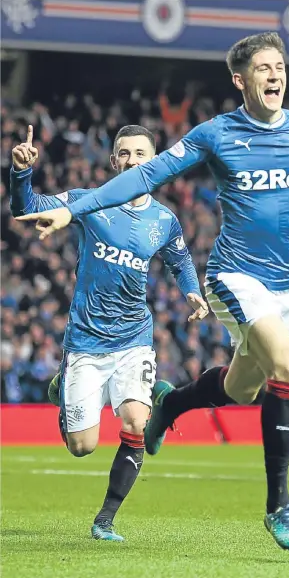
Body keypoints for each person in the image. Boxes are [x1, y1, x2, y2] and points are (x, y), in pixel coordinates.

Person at [17, 32, 289, 551]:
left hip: (286, 287)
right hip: (234, 277)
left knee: (242, 388)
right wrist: (75, 207)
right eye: (263, 68)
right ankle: (280, 507)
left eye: (280, 66)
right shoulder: (216, 134)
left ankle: (170, 408)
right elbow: (148, 175)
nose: (275, 75)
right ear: (240, 80)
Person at [10, 124, 208, 542]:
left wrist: (192, 292)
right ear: (113, 160)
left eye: (140, 154)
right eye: (124, 153)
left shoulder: (164, 220)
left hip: (134, 337)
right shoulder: (89, 202)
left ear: (152, 162)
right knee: (81, 447)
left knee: (136, 421)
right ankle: (64, 387)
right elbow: (25, 207)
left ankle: (105, 520)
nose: (132, 160)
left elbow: (181, 261)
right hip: (85, 341)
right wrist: (21, 173)